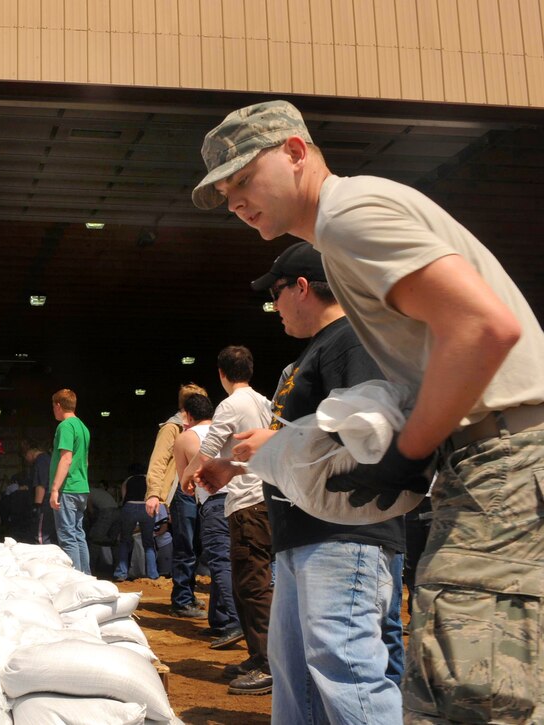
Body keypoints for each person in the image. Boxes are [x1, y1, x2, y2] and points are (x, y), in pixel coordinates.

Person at [193, 99, 544, 722]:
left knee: (472, 691)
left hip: (504, 456)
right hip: (488, 457)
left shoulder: (348, 216)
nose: (236, 201)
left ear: (297, 152)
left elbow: (484, 327)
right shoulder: (344, 227)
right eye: (225, 193)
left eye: (245, 178)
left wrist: (406, 455)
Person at [204, 243, 406, 722]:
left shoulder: (353, 341)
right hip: (301, 535)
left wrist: (274, 441)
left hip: (342, 535)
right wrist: (239, 465)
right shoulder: (317, 352)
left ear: (301, 287)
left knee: (345, 671)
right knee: (296, 681)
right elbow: (311, 447)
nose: (272, 307)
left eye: (275, 294)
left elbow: (370, 429)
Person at [178, 346, 273, 694]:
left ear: (221, 373)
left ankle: (267, 664)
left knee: (252, 584)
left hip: (248, 501)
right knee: (245, 584)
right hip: (260, 498)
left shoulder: (231, 405)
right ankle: (256, 655)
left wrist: (188, 475)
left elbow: (209, 447)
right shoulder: (263, 401)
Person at [174, 393, 241, 647]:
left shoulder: (185, 438)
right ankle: (219, 619)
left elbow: (186, 483)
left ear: (188, 415)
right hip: (239, 498)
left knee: (220, 561)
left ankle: (235, 622)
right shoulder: (224, 431)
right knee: (227, 559)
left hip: (214, 502)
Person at [145, 383, 207, 618]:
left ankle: (188, 594)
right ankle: (181, 600)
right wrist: (154, 493)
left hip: (199, 492)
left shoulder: (195, 428)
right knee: (185, 545)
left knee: (195, 545)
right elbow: (159, 461)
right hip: (180, 492)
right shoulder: (172, 428)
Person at [48, 389, 91, 575]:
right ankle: (85, 576)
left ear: (58, 405)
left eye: (53, 406)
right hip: (82, 487)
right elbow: (85, 461)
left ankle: (75, 579)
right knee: (78, 534)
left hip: (68, 488)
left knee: (67, 537)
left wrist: (55, 488)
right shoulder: (83, 427)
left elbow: (66, 459)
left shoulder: (65, 426)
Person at [114, 471, 157, 581]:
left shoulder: (128, 480)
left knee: (125, 540)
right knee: (148, 543)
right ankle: (152, 574)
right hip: (146, 507)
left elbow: (124, 498)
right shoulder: (150, 478)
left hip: (130, 506)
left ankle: (121, 573)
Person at [25, 443, 56, 544]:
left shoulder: (41, 460)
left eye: (25, 456)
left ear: (31, 451)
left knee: (40, 536)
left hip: (44, 503)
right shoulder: (48, 459)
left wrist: (37, 506)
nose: (26, 459)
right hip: (50, 502)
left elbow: (41, 484)